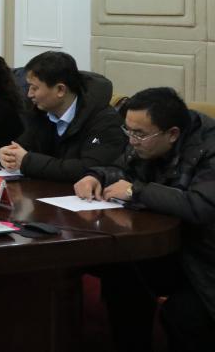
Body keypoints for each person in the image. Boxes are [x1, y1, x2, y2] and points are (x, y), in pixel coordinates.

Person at [74, 87, 215, 352]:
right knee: (121, 270)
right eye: (128, 131)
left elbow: (200, 205)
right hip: (173, 247)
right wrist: (96, 176)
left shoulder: (209, 149)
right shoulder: (145, 143)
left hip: (204, 258)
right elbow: (120, 168)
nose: (132, 141)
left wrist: (136, 191)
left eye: (139, 134)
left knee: (183, 315)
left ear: (172, 134)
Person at [0, 51, 123, 182]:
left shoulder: (105, 121)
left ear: (60, 90)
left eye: (34, 88)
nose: (29, 94)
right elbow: (23, 146)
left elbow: (89, 169)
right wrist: (7, 155)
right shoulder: (39, 111)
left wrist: (28, 161)